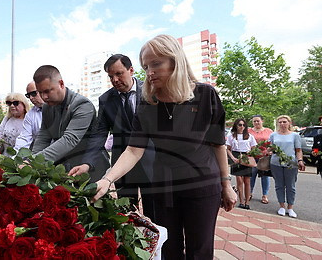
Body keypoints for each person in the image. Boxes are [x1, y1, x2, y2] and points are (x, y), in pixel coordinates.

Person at [93, 34, 237, 259]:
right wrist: (107, 179)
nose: (149, 72)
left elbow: (217, 143)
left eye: (156, 64)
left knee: (200, 250)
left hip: (201, 185)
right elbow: (133, 150)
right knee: (167, 249)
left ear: (175, 61)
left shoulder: (205, 94)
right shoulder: (148, 103)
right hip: (163, 188)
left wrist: (226, 185)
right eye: (146, 66)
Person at [68, 54, 155, 220]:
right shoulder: (106, 99)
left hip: (150, 163)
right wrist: (87, 163)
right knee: (126, 213)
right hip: (121, 165)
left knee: (154, 213)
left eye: (119, 74)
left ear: (131, 70)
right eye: (110, 76)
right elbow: (98, 135)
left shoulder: (151, 92)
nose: (115, 80)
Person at [31, 65, 98, 171]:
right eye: (40, 92)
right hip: (64, 168)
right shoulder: (47, 107)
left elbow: (69, 139)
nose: (44, 97)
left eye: (47, 91)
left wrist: (34, 162)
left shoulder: (82, 105)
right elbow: (43, 137)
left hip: (89, 168)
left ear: (61, 84)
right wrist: (31, 163)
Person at [270, 115, 305, 218]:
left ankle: (290, 207)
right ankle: (281, 206)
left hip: (291, 163)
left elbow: (298, 150)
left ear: (289, 123)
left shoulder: (295, 135)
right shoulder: (273, 135)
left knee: (291, 186)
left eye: (284, 122)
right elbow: (270, 148)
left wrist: (300, 161)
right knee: (279, 185)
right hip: (276, 163)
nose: (282, 124)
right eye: (280, 122)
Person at [226, 119, 257, 209]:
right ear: (236, 125)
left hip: (246, 156)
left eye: (243, 125)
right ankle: (241, 201)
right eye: (240, 125)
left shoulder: (249, 136)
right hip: (236, 155)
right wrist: (232, 158)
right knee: (239, 180)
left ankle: (247, 202)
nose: (242, 127)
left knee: (247, 181)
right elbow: (228, 148)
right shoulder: (231, 136)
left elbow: (254, 147)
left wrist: (250, 152)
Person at [248, 115, 273, 204]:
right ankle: (249, 193)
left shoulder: (268, 131)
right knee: (251, 176)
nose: (256, 123)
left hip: (264, 157)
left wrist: (270, 151)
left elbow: (272, 142)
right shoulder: (249, 131)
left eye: (258, 121)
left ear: (262, 121)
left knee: (265, 177)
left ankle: (264, 195)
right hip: (252, 157)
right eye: (254, 121)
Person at [14, 81, 45, 151]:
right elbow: (24, 139)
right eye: (28, 95)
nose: (31, 98)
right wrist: (15, 158)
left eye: (34, 94)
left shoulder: (59, 108)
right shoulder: (30, 115)